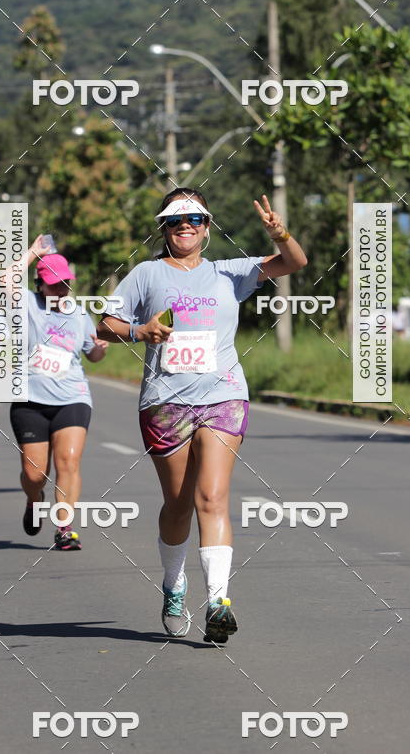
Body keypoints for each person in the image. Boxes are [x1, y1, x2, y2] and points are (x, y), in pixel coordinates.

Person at [98, 188, 307, 643]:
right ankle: (174, 587)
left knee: (212, 496)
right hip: (165, 401)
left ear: (207, 226)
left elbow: (294, 262)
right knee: (179, 504)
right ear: (164, 228)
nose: (185, 226)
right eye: (175, 220)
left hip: (223, 396)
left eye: (194, 218)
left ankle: (218, 602)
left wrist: (280, 233)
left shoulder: (228, 272)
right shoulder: (145, 274)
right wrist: (140, 330)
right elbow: (106, 325)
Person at [10, 237, 108, 551]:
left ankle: (65, 528)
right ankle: (34, 499)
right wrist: (33, 252)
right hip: (30, 400)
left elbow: (92, 355)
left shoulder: (79, 314)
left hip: (72, 397)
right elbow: (5, 283)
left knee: (69, 461)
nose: (60, 290)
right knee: (34, 474)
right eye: (53, 285)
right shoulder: (27, 305)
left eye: (65, 284)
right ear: (39, 284)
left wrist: (99, 350)